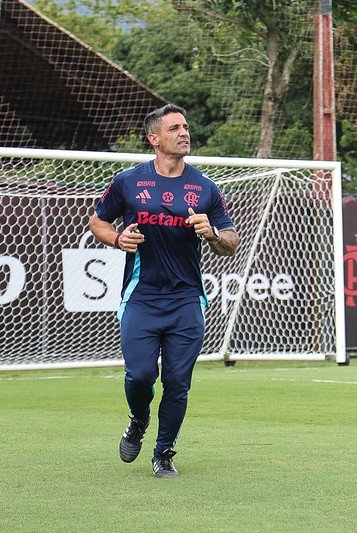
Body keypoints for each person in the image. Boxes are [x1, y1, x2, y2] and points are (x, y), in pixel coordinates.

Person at [89, 104, 240, 478]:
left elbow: (231, 240)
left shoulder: (205, 187)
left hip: (187, 299)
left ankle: (164, 453)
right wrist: (116, 237)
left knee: (177, 382)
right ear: (154, 138)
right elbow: (98, 221)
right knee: (140, 375)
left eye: (186, 126)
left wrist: (214, 235)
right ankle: (139, 419)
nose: (184, 132)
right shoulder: (128, 181)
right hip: (140, 297)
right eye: (175, 128)